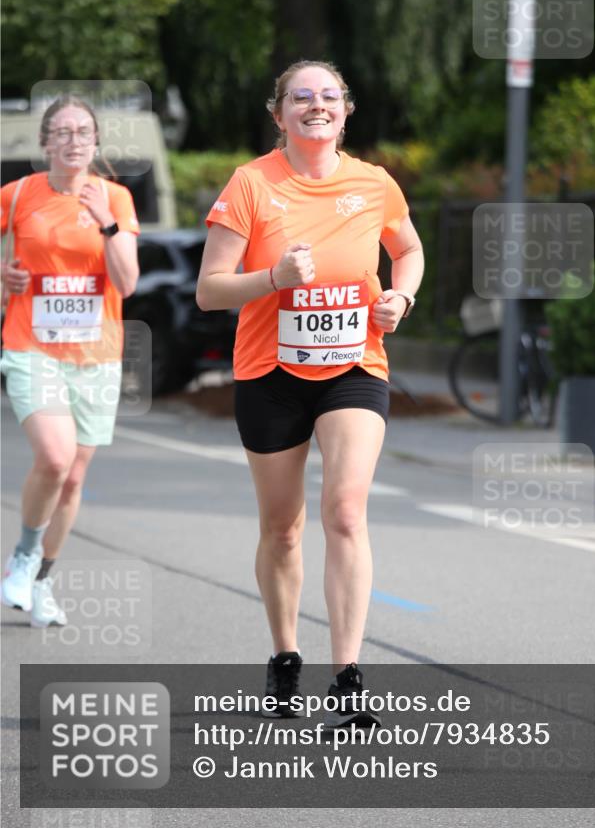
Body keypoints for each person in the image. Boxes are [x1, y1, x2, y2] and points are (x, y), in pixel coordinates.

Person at [197, 60, 424, 726]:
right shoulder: (250, 184)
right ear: (279, 114)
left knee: (347, 511)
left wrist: (400, 297)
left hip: (354, 365)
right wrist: (272, 277)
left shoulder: (373, 183)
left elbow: (407, 251)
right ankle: (284, 654)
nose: (316, 106)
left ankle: (348, 678)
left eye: (328, 97)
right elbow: (210, 289)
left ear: (346, 110)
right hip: (270, 372)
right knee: (283, 530)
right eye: (301, 98)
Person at [1, 96, 140, 627]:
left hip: (96, 356)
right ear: (45, 143)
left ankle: (41, 583)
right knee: (55, 460)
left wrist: (106, 224)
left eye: (83, 131)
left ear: (96, 141)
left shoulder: (117, 199)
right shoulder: (16, 197)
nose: (73, 141)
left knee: (75, 480)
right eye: (61, 132)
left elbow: (127, 283)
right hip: (31, 347)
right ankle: (22, 555)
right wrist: (2, 276)